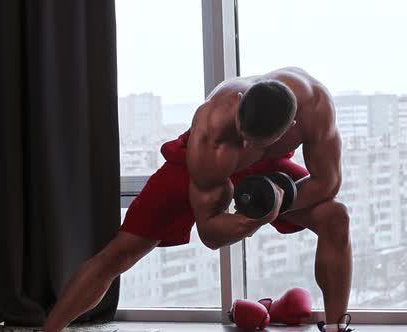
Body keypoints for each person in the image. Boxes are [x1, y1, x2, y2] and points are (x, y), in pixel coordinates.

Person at [43, 67, 353, 332]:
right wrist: (258, 217)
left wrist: (284, 199)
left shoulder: (315, 106)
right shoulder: (214, 131)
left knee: (334, 216)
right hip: (197, 167)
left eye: (254, 141)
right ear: (241, 101)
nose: (244, 143)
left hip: (266, 170)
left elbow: (329, 182)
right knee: (120, 253)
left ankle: (336, 327)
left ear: (291, 129)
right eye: (242, 134)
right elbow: (210, 233)